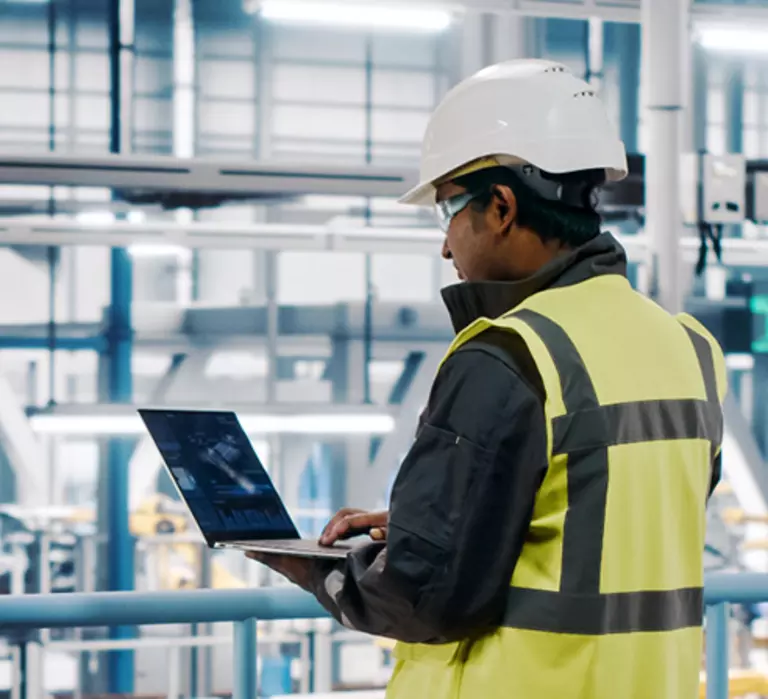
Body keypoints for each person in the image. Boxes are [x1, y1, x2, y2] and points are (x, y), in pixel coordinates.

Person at [249, 59, 727, 698]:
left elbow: (425, 597)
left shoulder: (508, 355)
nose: (446, 245)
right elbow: (610, 516)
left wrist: (316, 573)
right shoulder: (690, 350)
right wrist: (459, 512)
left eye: (448, 209)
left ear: (501, 207)